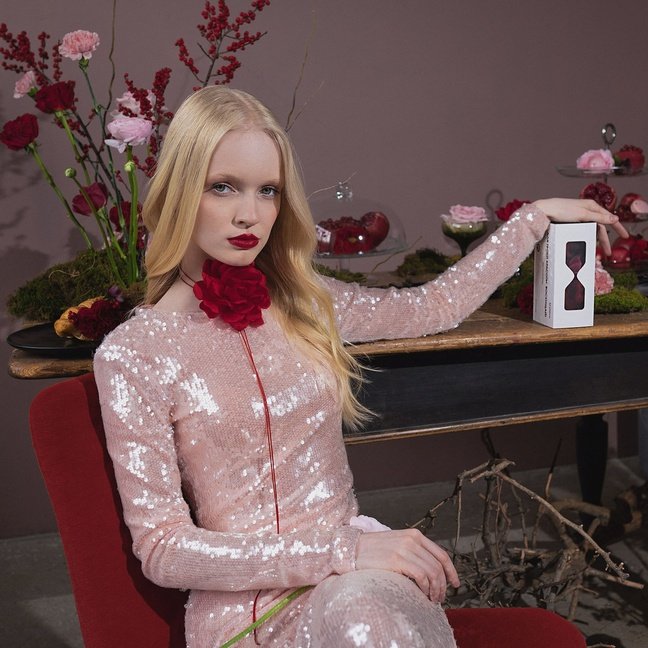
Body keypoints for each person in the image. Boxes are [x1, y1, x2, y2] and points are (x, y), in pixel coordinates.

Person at [93, 86, 627, 648]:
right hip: (244, 611)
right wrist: (342, 549)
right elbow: (163, 549)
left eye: (268, 191)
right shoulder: (133, 354)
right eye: (222, 186)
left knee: (362, 618)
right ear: (179, 190)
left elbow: (433, 306)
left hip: (356, 585)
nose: (249, 213)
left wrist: (533, 220)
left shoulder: (305, 302)